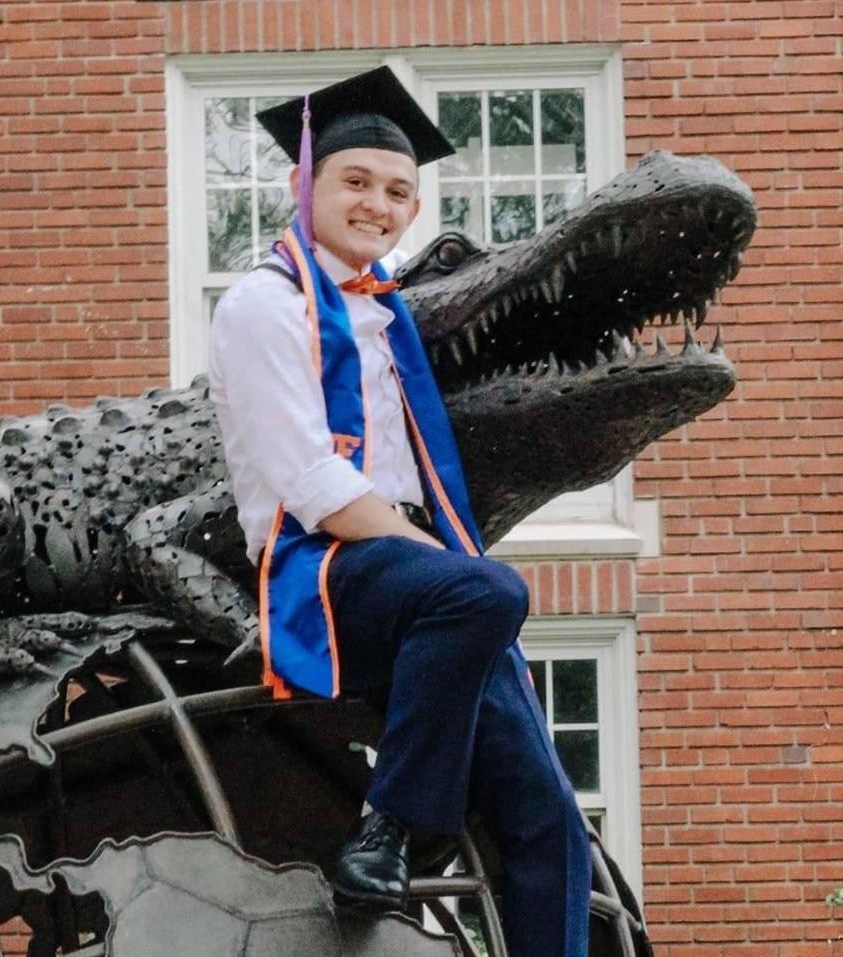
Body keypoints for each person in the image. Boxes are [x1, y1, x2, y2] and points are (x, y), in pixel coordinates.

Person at [208, 66, 591, 957]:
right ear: (303, 184)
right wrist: (443, 560)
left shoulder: (388, 317)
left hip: (422, 578)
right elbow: (311, 484)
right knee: (486, 590)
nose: (376, 205)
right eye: (355, 181)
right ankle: (390, 826)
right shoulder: (262, 305)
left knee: (549, 819)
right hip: (323, 563)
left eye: (396, 191)